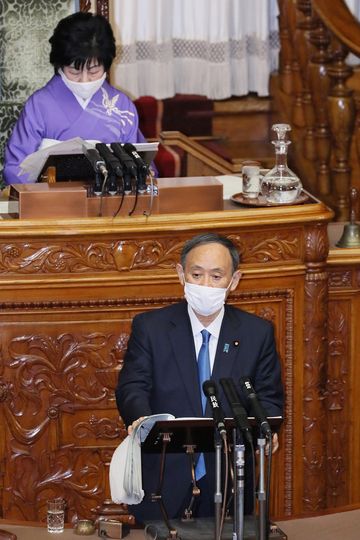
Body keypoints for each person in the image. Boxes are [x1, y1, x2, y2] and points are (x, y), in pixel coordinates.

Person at [115, 232, 284, 524]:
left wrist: (266, 429)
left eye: (217, 276)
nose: (206, 285)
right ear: (181, 274)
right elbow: (132, 386)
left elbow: (267, 397)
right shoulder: (151, 327)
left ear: (234, 280)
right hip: (163, 475)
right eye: (196, 274)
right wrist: (141, 420)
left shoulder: (257, 333)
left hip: (228, 479)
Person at [3, 11, 145, 185]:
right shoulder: (39, 105)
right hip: (51, 205)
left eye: (93, 71)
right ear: (60, 65)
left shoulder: (123, 107)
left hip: (109, 205)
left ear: (107, 66)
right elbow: (15, 168)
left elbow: (142, 166)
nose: (84, 80)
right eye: (74, 71)